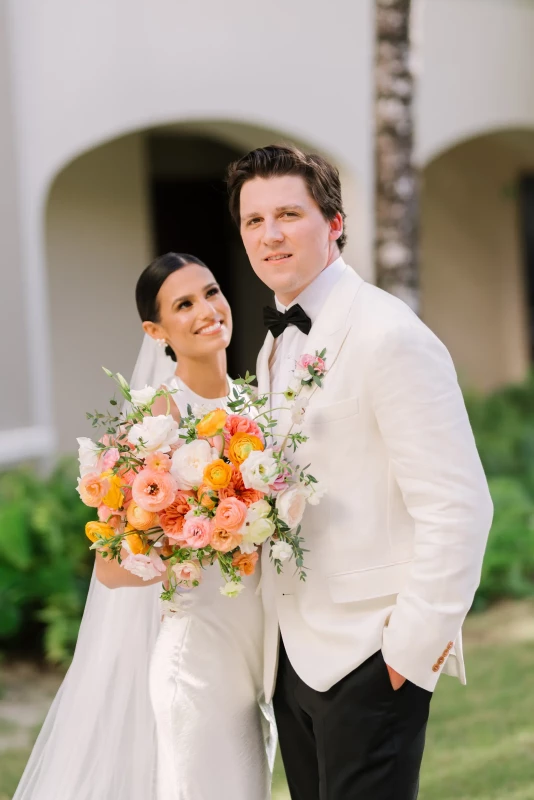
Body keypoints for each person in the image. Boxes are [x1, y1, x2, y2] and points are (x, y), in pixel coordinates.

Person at [226, 144, 493, 800]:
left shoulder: (388, 335)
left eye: (289, 213)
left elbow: (459, 504)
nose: (271, 234)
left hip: (371, 657)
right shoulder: (273, 343)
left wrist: (408, 653)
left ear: (335, 223)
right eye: (254, 221)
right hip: (293, 656)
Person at [13, 253, 273, 800]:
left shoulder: (254, 404)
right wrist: (205, 533)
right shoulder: (158, 418)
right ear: (156, 332)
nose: (207, 310)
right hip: (199, 660)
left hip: (256, 656)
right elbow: (112, 569)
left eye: (211, 292)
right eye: (184, 304)